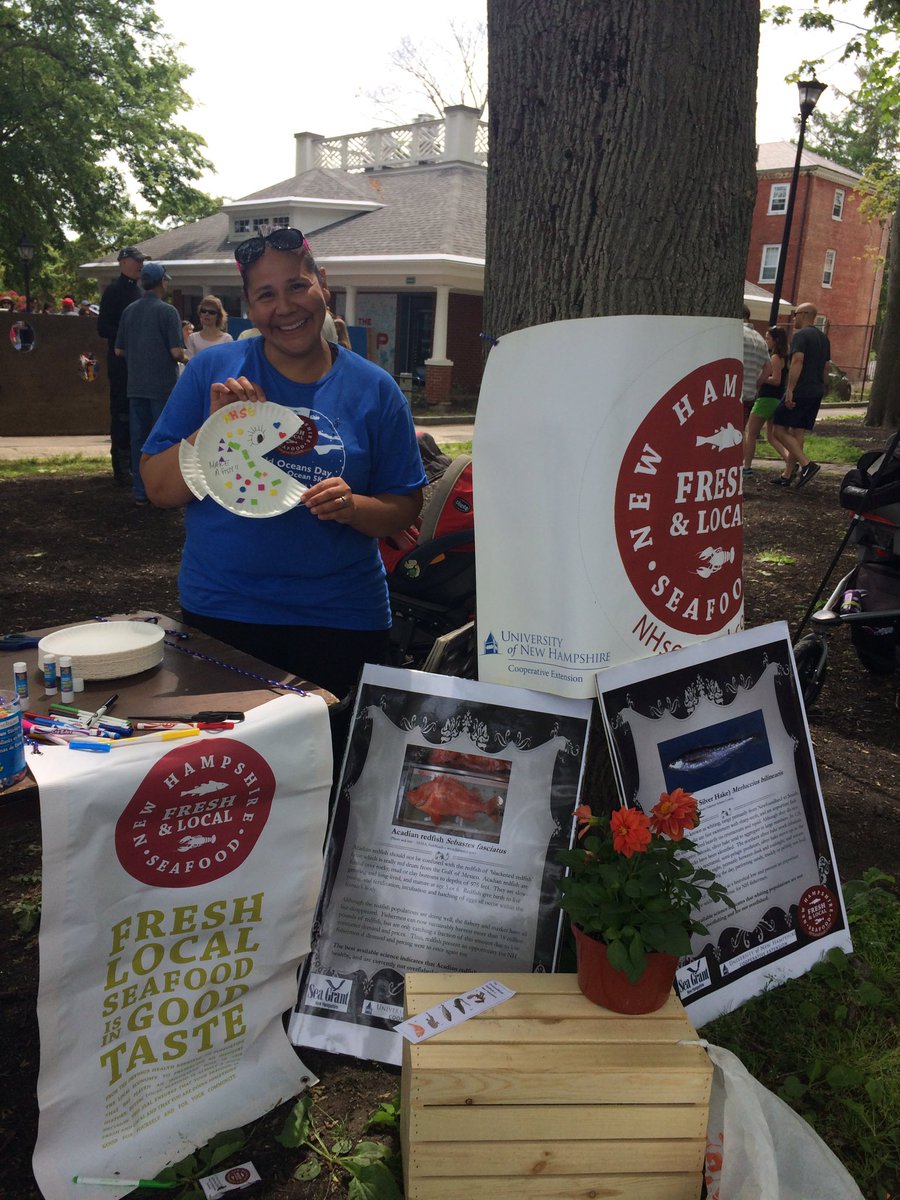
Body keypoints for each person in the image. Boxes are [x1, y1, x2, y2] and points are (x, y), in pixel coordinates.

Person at [141, 226, 425, 699]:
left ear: (322, 285)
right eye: (266, 295)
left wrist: (353, 507)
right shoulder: (212, 371)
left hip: (342, 617)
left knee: (332, 746)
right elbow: (158, 489)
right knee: (237, 748)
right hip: (223, 610)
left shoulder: (375, 389)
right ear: (250, 307)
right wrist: (213, 430)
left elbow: (404, 507)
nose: (286, 307)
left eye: (297, 285)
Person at [115, 262, 187, 505]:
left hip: (135, 385)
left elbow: (118, 350)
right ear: (162, 282)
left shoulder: (129, 311)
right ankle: (163, 491)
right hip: (162, 387)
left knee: (139, 440)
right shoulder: (168, 312)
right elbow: (176, 352)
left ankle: (140, 491)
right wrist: (193, 360)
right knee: (163, 441)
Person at [98, 246, 147, 486]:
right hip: (120, 363)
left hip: (140, 364)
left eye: (142, 261)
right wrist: (127, 336)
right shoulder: (114, 291)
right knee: (121, 411)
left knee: (138, 411)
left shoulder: (141, 292)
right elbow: (103, 327)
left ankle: (137, 463)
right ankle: (121, 465)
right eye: (137, 260)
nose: (141, 265)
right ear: (123, 262)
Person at [769, 303, 832, 489]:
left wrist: (790, 389)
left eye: (795, 314)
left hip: (801, 390)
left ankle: (806, 465)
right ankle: (787, 475)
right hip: (816, 390)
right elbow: (826, 367)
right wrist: (823, 386)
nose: (794, 317)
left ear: (804, 314)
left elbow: (797, 361)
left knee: (778, 429)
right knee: (798, 432)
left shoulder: (801, 335)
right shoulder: (824, 338)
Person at [742, 325, 788, 479]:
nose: (766, 341)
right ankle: (789, 460)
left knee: (751, 433)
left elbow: (776, 379)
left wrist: (759, 377)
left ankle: (746, 467)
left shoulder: (774, 358)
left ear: (775, 340)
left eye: (768, 338)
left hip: (766, 398)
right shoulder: (784, 357)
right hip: (777, 399)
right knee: (771, 436)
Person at [741, 306, 768, 429]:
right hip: (749, 394)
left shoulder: (736, 333)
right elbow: (768, 368)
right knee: (740, 430)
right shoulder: (760, 339)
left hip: (729, 393)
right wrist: (756, 384)